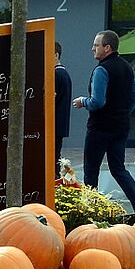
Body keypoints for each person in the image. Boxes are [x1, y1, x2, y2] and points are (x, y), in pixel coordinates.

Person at [73, 30, 135, 213]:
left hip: (99, 128)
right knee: (118, 169)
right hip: (120, 127)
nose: (93, 49)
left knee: (91, 171)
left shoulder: (101, 70)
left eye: (96, 45)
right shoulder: (127, 67)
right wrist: (122, 112)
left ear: (107, 48)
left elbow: (97, 102)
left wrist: (83, 101)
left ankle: (90, 212)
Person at [53, 42, 72, 175]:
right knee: (56, 156)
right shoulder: (65, 74)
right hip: (60, 124)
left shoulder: (55, 74)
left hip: (54, 123)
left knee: (52, 157)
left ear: (56, 55)